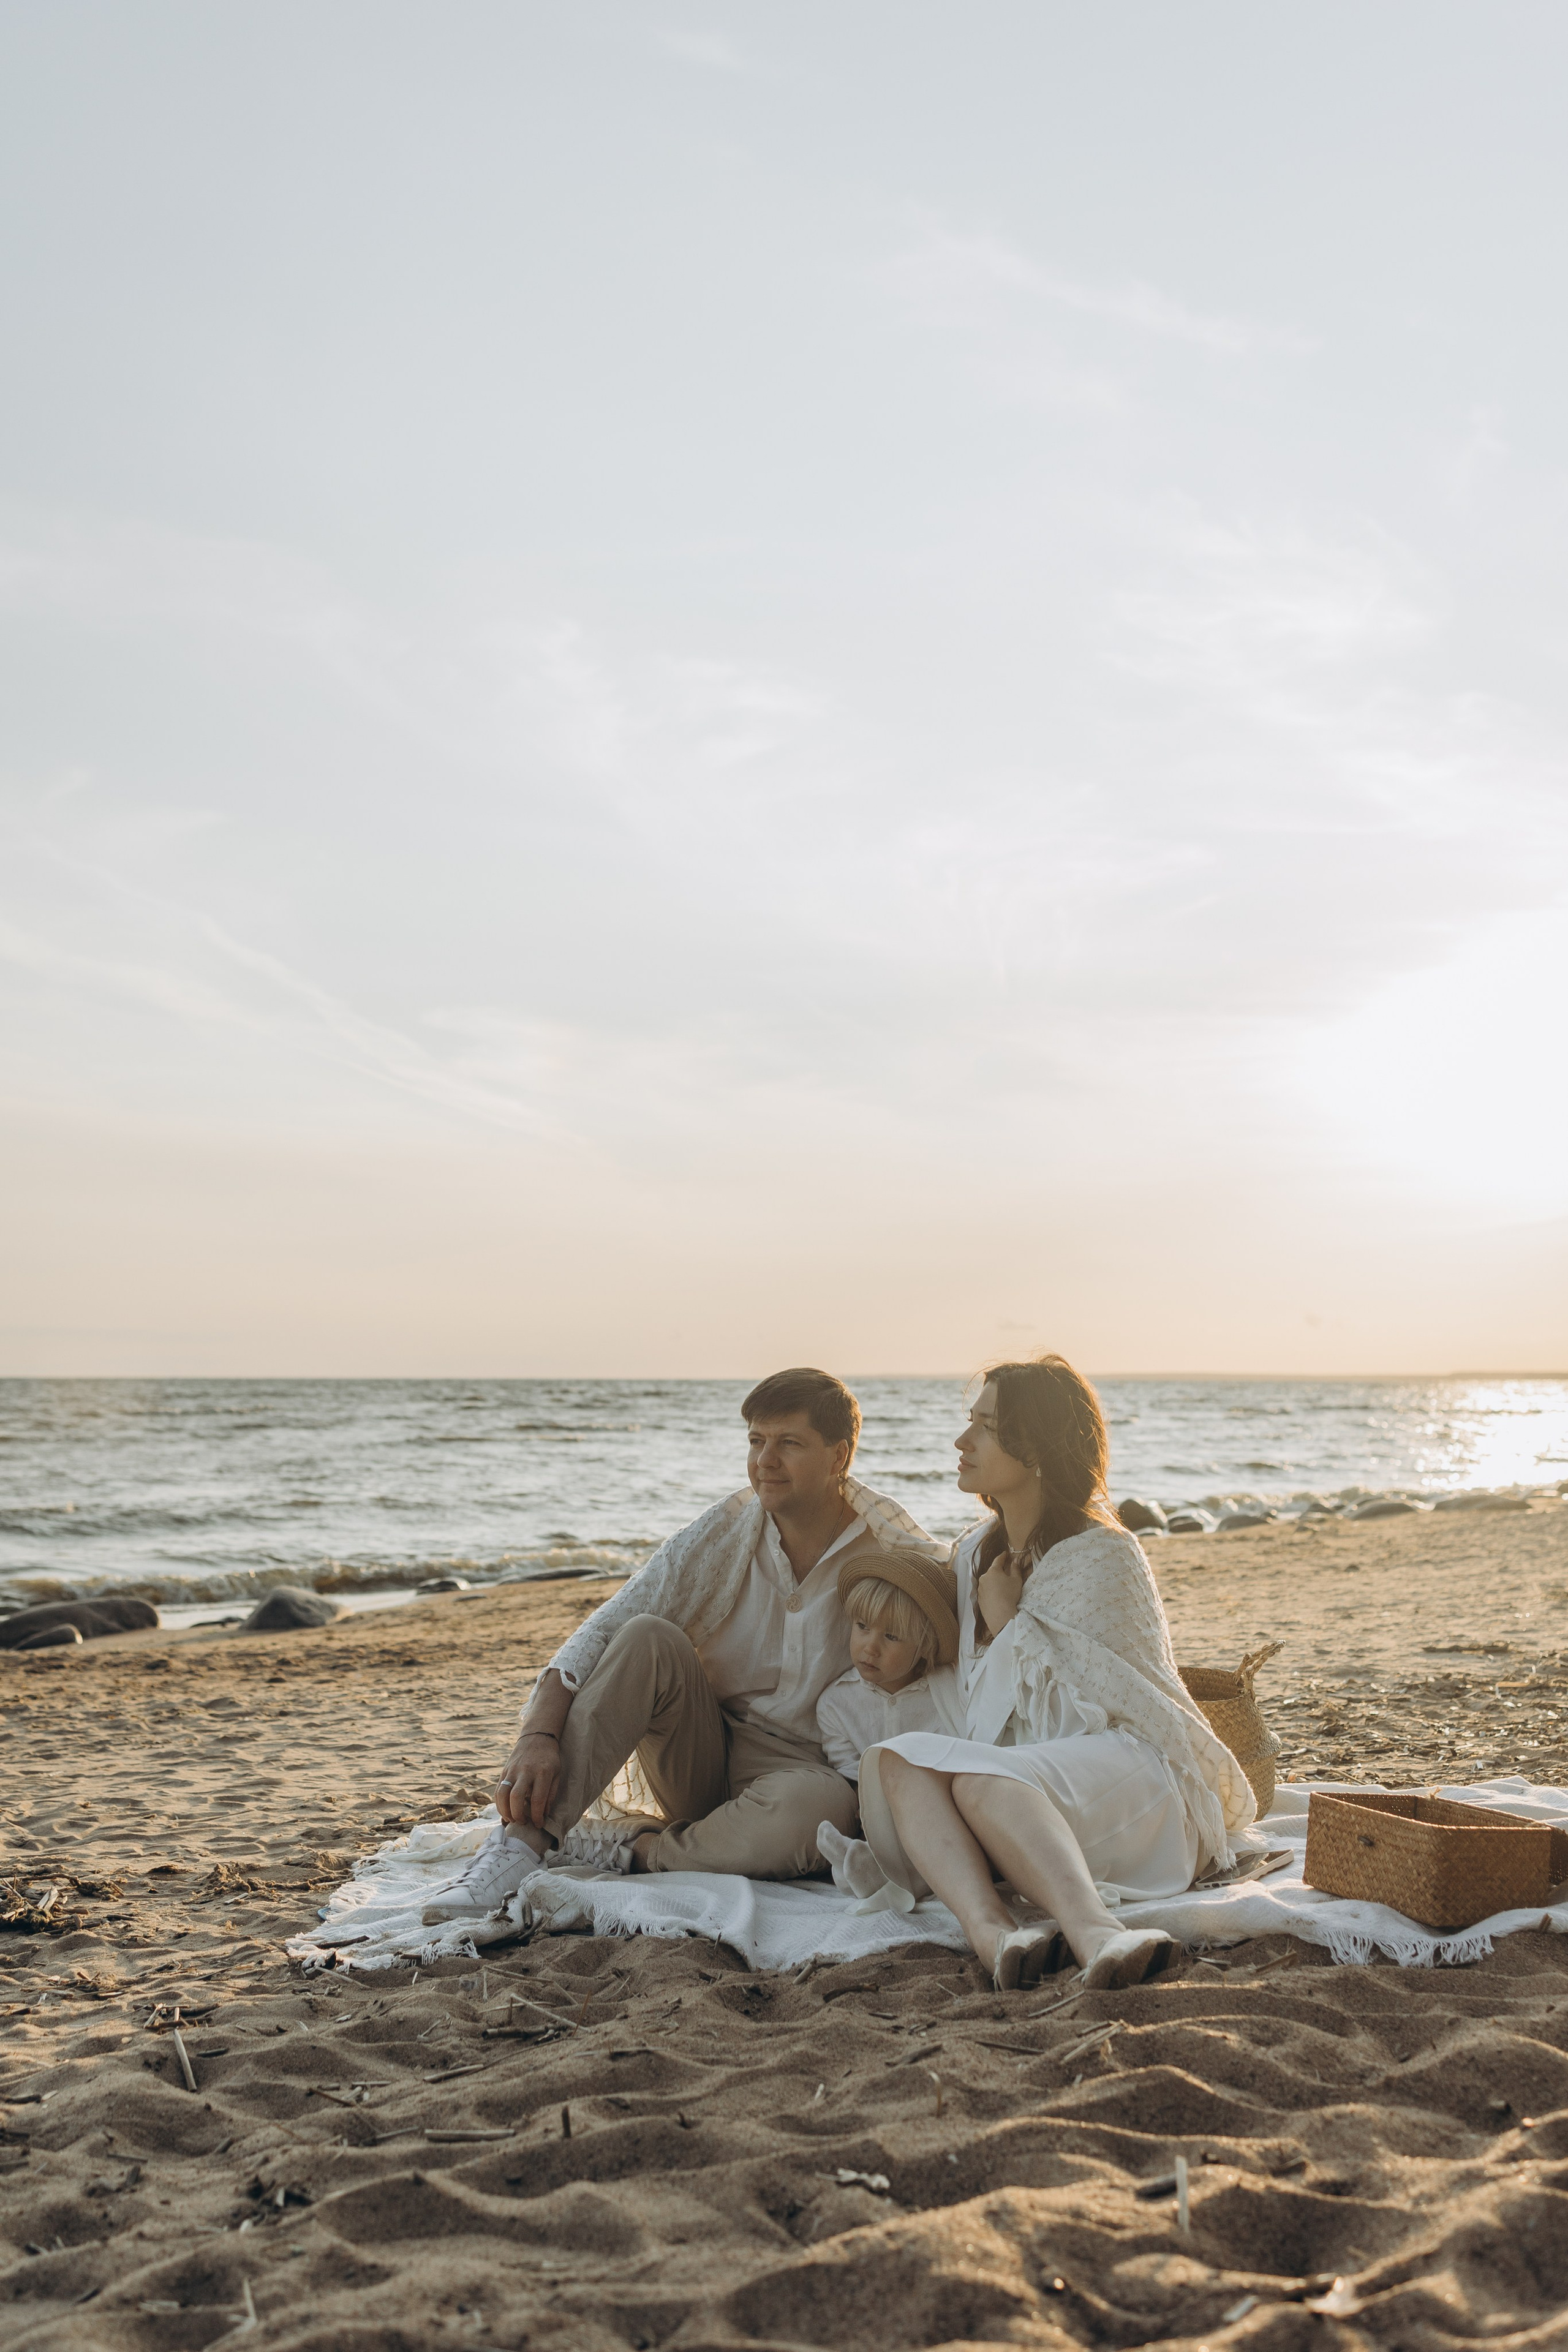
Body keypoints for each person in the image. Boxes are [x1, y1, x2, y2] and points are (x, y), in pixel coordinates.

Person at [423, 1368, 945, 1921]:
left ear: (839, 1457)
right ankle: (521, 1846)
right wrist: (539, 1733)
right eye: (755, 1441)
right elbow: (605, 1624)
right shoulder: (723, 1534)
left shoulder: (890, 1554)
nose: (765, 1461)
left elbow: (958, 1630)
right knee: (648, 1634)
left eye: (788, 1444)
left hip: (806, 1773)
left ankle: (634, 1851)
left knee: (818, 1815)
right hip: (702, 1746)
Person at [854, 1355, 1257, 1992]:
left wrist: (1010, 1623)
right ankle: (994, 1935)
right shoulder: (972, 1556)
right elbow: (902, 1565)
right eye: (970, 1422)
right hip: (1023, 1794)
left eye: (985, 1428)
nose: (963, 1442)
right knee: (896, 1761)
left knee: (981, 1786)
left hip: (1129, 1775)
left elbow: (1100, 1707)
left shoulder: (1105, 1554)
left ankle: (1094, 1932)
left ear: (1036, 1448)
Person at [813, 1548, 965, 1901]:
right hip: (873, 1812)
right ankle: (869, 1860)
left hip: (938, 1807)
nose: (870, 1647)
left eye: (892, 1637)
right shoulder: (836, 1704)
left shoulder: (946, 1696)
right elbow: (850, 1774)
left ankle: (892, 1873)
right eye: (862, 1627)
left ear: (925, 1646)